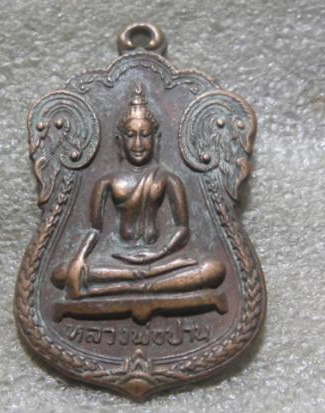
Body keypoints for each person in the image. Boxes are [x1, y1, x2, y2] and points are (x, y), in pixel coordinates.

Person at [52, 85, 225, 300]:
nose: (138, 143)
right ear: (120, 140)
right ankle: (150, 285)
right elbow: (94, 229)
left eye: (145, 135)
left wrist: (159, 252)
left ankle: (131, 286)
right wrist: (79, 257)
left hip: (160, 257)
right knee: (61, 273)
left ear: (156, 139)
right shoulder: (107, 181)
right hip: (117, 258)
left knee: (214, 268)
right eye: (130, 135)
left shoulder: (168, 179)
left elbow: (182, 228)